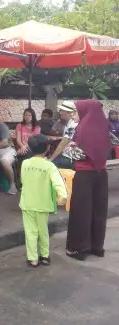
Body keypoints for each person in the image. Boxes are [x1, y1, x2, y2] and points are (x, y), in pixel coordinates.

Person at [65, 100, 110, 261]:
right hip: (101, 173)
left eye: (75, 112)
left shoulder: (82, 129)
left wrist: (69, 149)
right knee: (98, 210)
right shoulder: (103, 127)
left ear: (85, 112)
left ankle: (78, 248)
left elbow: (81, 154)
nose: (73, 114)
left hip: (84, 175)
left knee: (81, 211)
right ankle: (97, 246)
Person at [20, 134, 67, 267]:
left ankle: (33, 259)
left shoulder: (25, 163)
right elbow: (59, 182)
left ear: (29, 148)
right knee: (43, 231)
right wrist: (62, 197)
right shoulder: (49, 166)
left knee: (30, 232)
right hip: (42, 204)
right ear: (47, 148)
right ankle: (45, 256)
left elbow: (23, 181)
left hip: (27, 203)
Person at [49, 101, 79, 169]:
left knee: (51, 165)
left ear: (69, 113)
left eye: (62, 110)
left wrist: (50, 160)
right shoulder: (67, 124)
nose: (60, 113)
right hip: (66, 155)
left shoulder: (73, 125)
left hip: (70, 158)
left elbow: (63, 144)